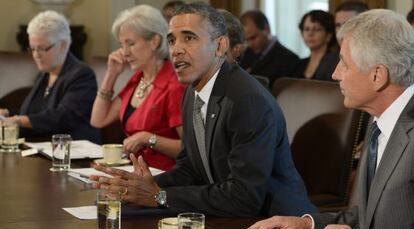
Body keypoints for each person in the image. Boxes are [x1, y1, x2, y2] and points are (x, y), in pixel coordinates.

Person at [91, 2, 316, 217]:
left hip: (274, 222)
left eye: (188, 38)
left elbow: (245, 197)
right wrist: (137, 188)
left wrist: (160, 196)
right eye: (172, 41)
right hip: (225, 214)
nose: (176, 50)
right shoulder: (193, 91)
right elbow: (190, 168)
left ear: (220, 46)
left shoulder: (247, 101)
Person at [242, 9, 414, 229]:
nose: (335, 74)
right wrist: (307, 224)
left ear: (377, 76)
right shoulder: (380, 122)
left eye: (344, 63)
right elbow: (374, 215)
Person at [90, 5, 185, 171]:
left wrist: (148, 138)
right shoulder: (138, 79)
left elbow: (190, 149)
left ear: (154, 41)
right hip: (136, 173)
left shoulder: (174, 85)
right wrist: (111, 74)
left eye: (131, 44)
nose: (124, 52)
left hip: (166, 179)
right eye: (122, 45)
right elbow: (98, 120)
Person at [0, 11, 100, 143]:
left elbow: (64, 117)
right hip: (44, 148)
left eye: (42, 48)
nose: (36, 55)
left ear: (63, 45)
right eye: (32, 49)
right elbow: (36, 113)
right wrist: (7, 113)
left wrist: (18, 120)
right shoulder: (44, 74)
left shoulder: (82, 75)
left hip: (73, 154)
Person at [239, 10, 299, 86]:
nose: (250, 44)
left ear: (266, 29)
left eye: (253, 38)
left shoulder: (290, 59)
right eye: (246, 40)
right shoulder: (243, 54)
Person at [293, 10, 338, 82]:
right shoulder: (298, 64)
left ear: (329, 35)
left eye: (317, 29)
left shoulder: (335, 63)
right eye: (306, 29)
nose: (310, 34)